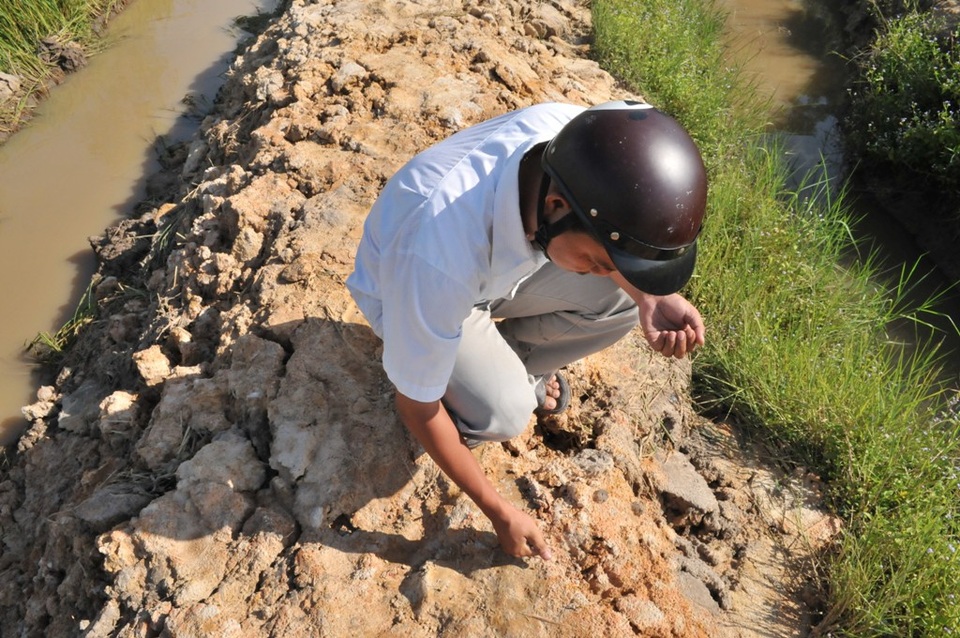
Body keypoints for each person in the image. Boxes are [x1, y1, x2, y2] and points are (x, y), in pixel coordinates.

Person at [346, 100, 707, 561]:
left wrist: (648, 295)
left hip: (501, 267)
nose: (601, 271)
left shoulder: (587, 144)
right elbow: (415, 406)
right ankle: (478, 387)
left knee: (624, 300)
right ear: (556, 206)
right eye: (598, 261)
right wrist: (498, 512)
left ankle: (500, 363)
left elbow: (608, 239)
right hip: (411, 287)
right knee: (505, 413)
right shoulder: (436, 255)